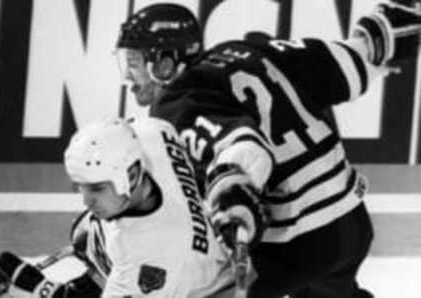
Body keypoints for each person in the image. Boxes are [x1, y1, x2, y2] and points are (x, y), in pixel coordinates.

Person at [115, 2, 421, 297]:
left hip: (295, 243)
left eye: (134, 63)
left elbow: (242, 146)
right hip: (351, 224)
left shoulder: (176, 104)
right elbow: (346, 62)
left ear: (165, 63)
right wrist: (377, 37)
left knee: (194, 292)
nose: (128, 76)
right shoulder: (250, 51)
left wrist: (232, 190)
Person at [0, 117, 236, 298]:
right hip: (179, 260)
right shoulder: (152, 132)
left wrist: (38, 289)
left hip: (201, 289)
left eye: (97, 189)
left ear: (133, 174)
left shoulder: (152, 256)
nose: (86, 201)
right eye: (81, 187)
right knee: (87, 232)